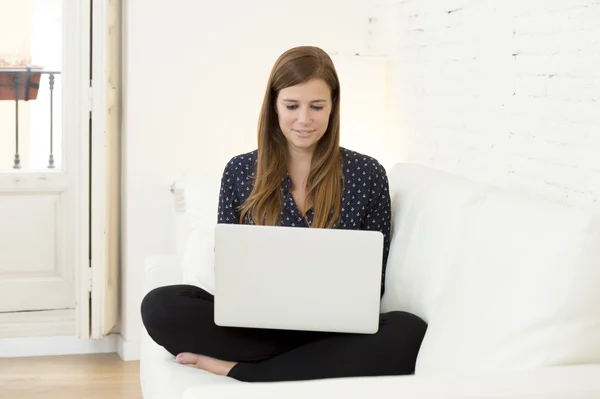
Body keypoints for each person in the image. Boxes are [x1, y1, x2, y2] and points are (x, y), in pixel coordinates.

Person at [141, 45, 427, 383]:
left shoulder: (367, 174)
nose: (304, 119)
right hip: (258, 329)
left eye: (317, 106)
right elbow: (228, 269)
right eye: (292, 106)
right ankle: (308, 364)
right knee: (160, 305)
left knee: (409, 331)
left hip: (334, 329)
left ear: (333, 107)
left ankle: (246, 372)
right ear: (274, 105)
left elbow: (372, 279)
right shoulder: (241, 170)